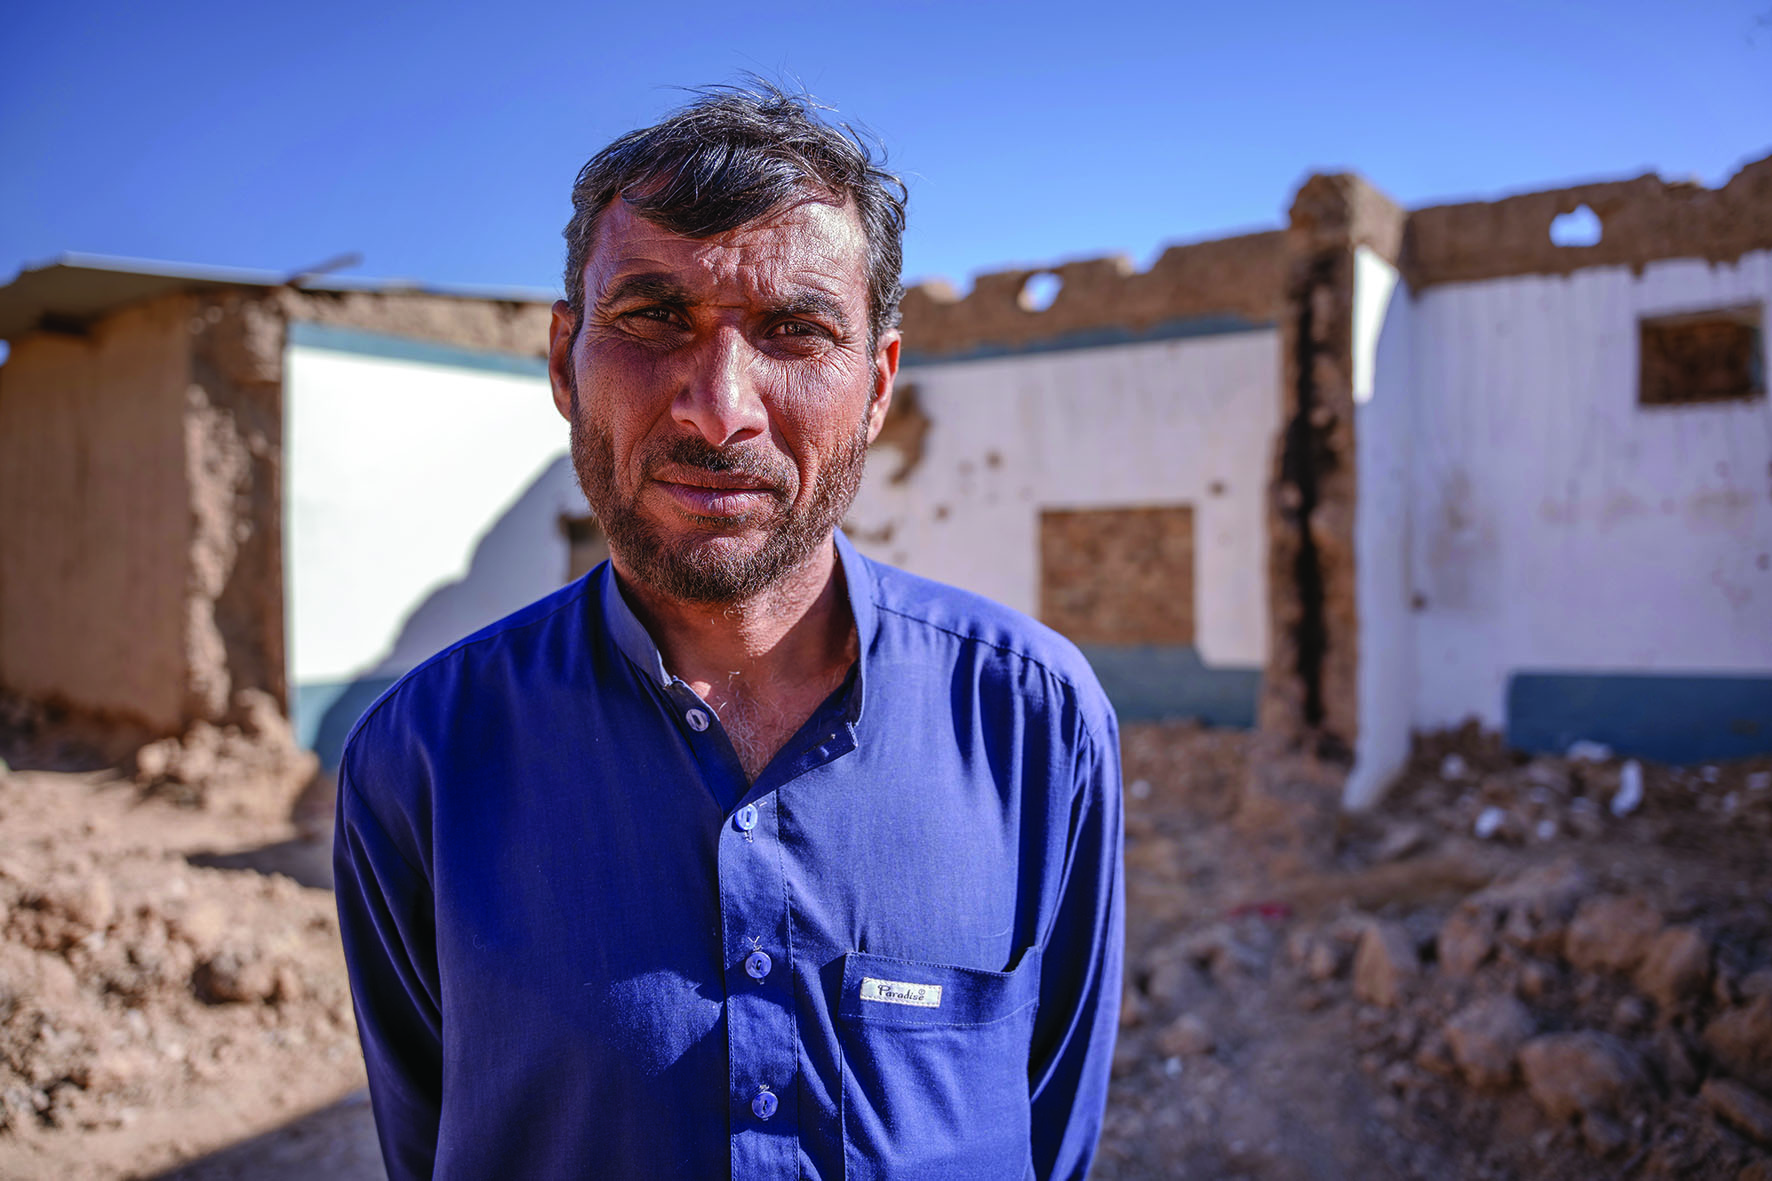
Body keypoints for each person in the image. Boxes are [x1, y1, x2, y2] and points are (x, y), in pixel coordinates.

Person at [333, 81, 1124, 1181]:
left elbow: (1053, 1126)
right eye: (655, 318)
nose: (720, 407)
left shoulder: (1032, 720)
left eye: (796, 329)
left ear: (878, 384)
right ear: (563, 361)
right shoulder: (421, 756)